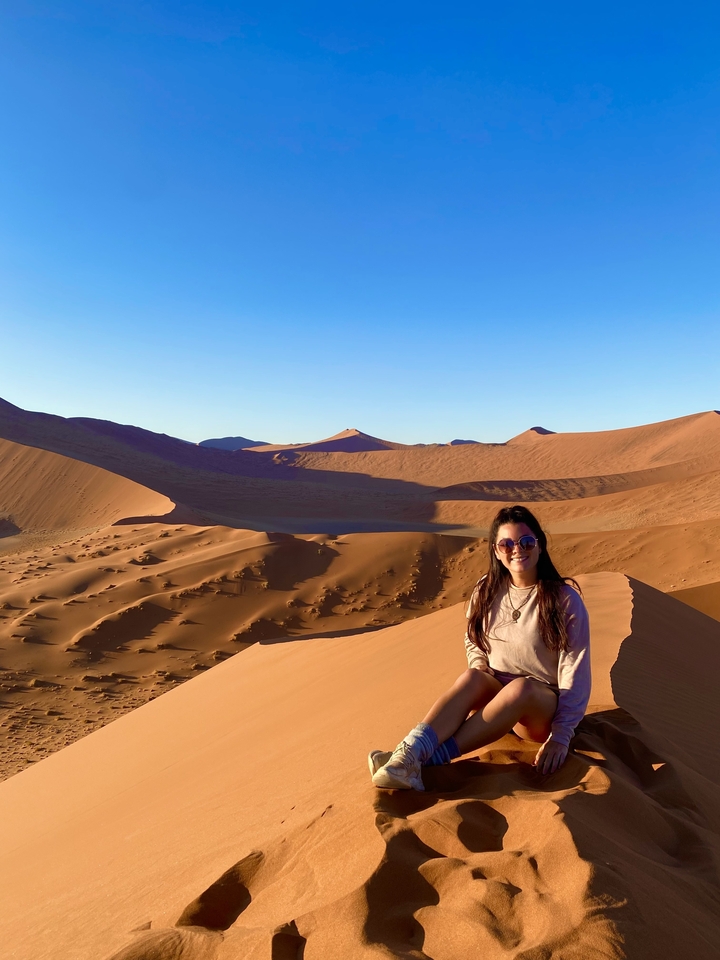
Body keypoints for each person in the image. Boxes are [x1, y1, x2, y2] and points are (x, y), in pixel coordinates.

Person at [369, 504, 590, 790]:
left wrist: (561, 736)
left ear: (539, 545)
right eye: (506, 543)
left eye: (526, 541)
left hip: (539, 709)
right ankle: (408, 754)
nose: (517, 549)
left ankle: (428, 762)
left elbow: (576, 670)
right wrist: (479, 665)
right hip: (495, 701)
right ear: (497, 551)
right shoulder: (486, 589)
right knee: (473, 677)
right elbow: (473, 639)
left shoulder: (564, 599)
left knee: (520, 687)